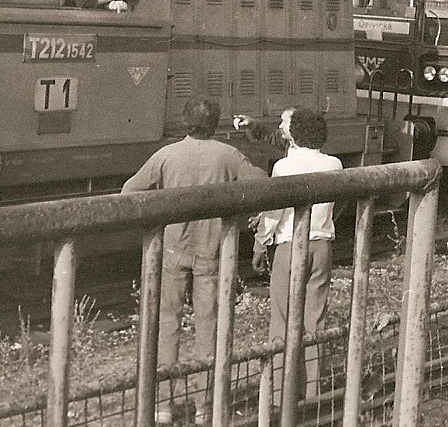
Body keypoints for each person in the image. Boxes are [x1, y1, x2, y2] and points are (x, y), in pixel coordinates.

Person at [122, 99, 268, 424]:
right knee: (208, 328)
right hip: (212, 251)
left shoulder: (166, 154)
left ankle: (162, 406)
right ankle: (205, 407)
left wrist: (158, 217)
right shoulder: (229, 155)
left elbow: (130, 191)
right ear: (215, 123)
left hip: (173, 250)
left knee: (167, 324)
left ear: (185, 122)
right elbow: (263, 183)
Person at [253, 107, 342, 402]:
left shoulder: (284, 167)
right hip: (322, 247)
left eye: (286, 124)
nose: (282, 126)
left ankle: (281, 395)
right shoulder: (334, 164)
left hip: (291, 247)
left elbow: (273, 213)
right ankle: (311, 394)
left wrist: (260, 242)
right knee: (315, 320)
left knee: (282, 319)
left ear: (295, 132)